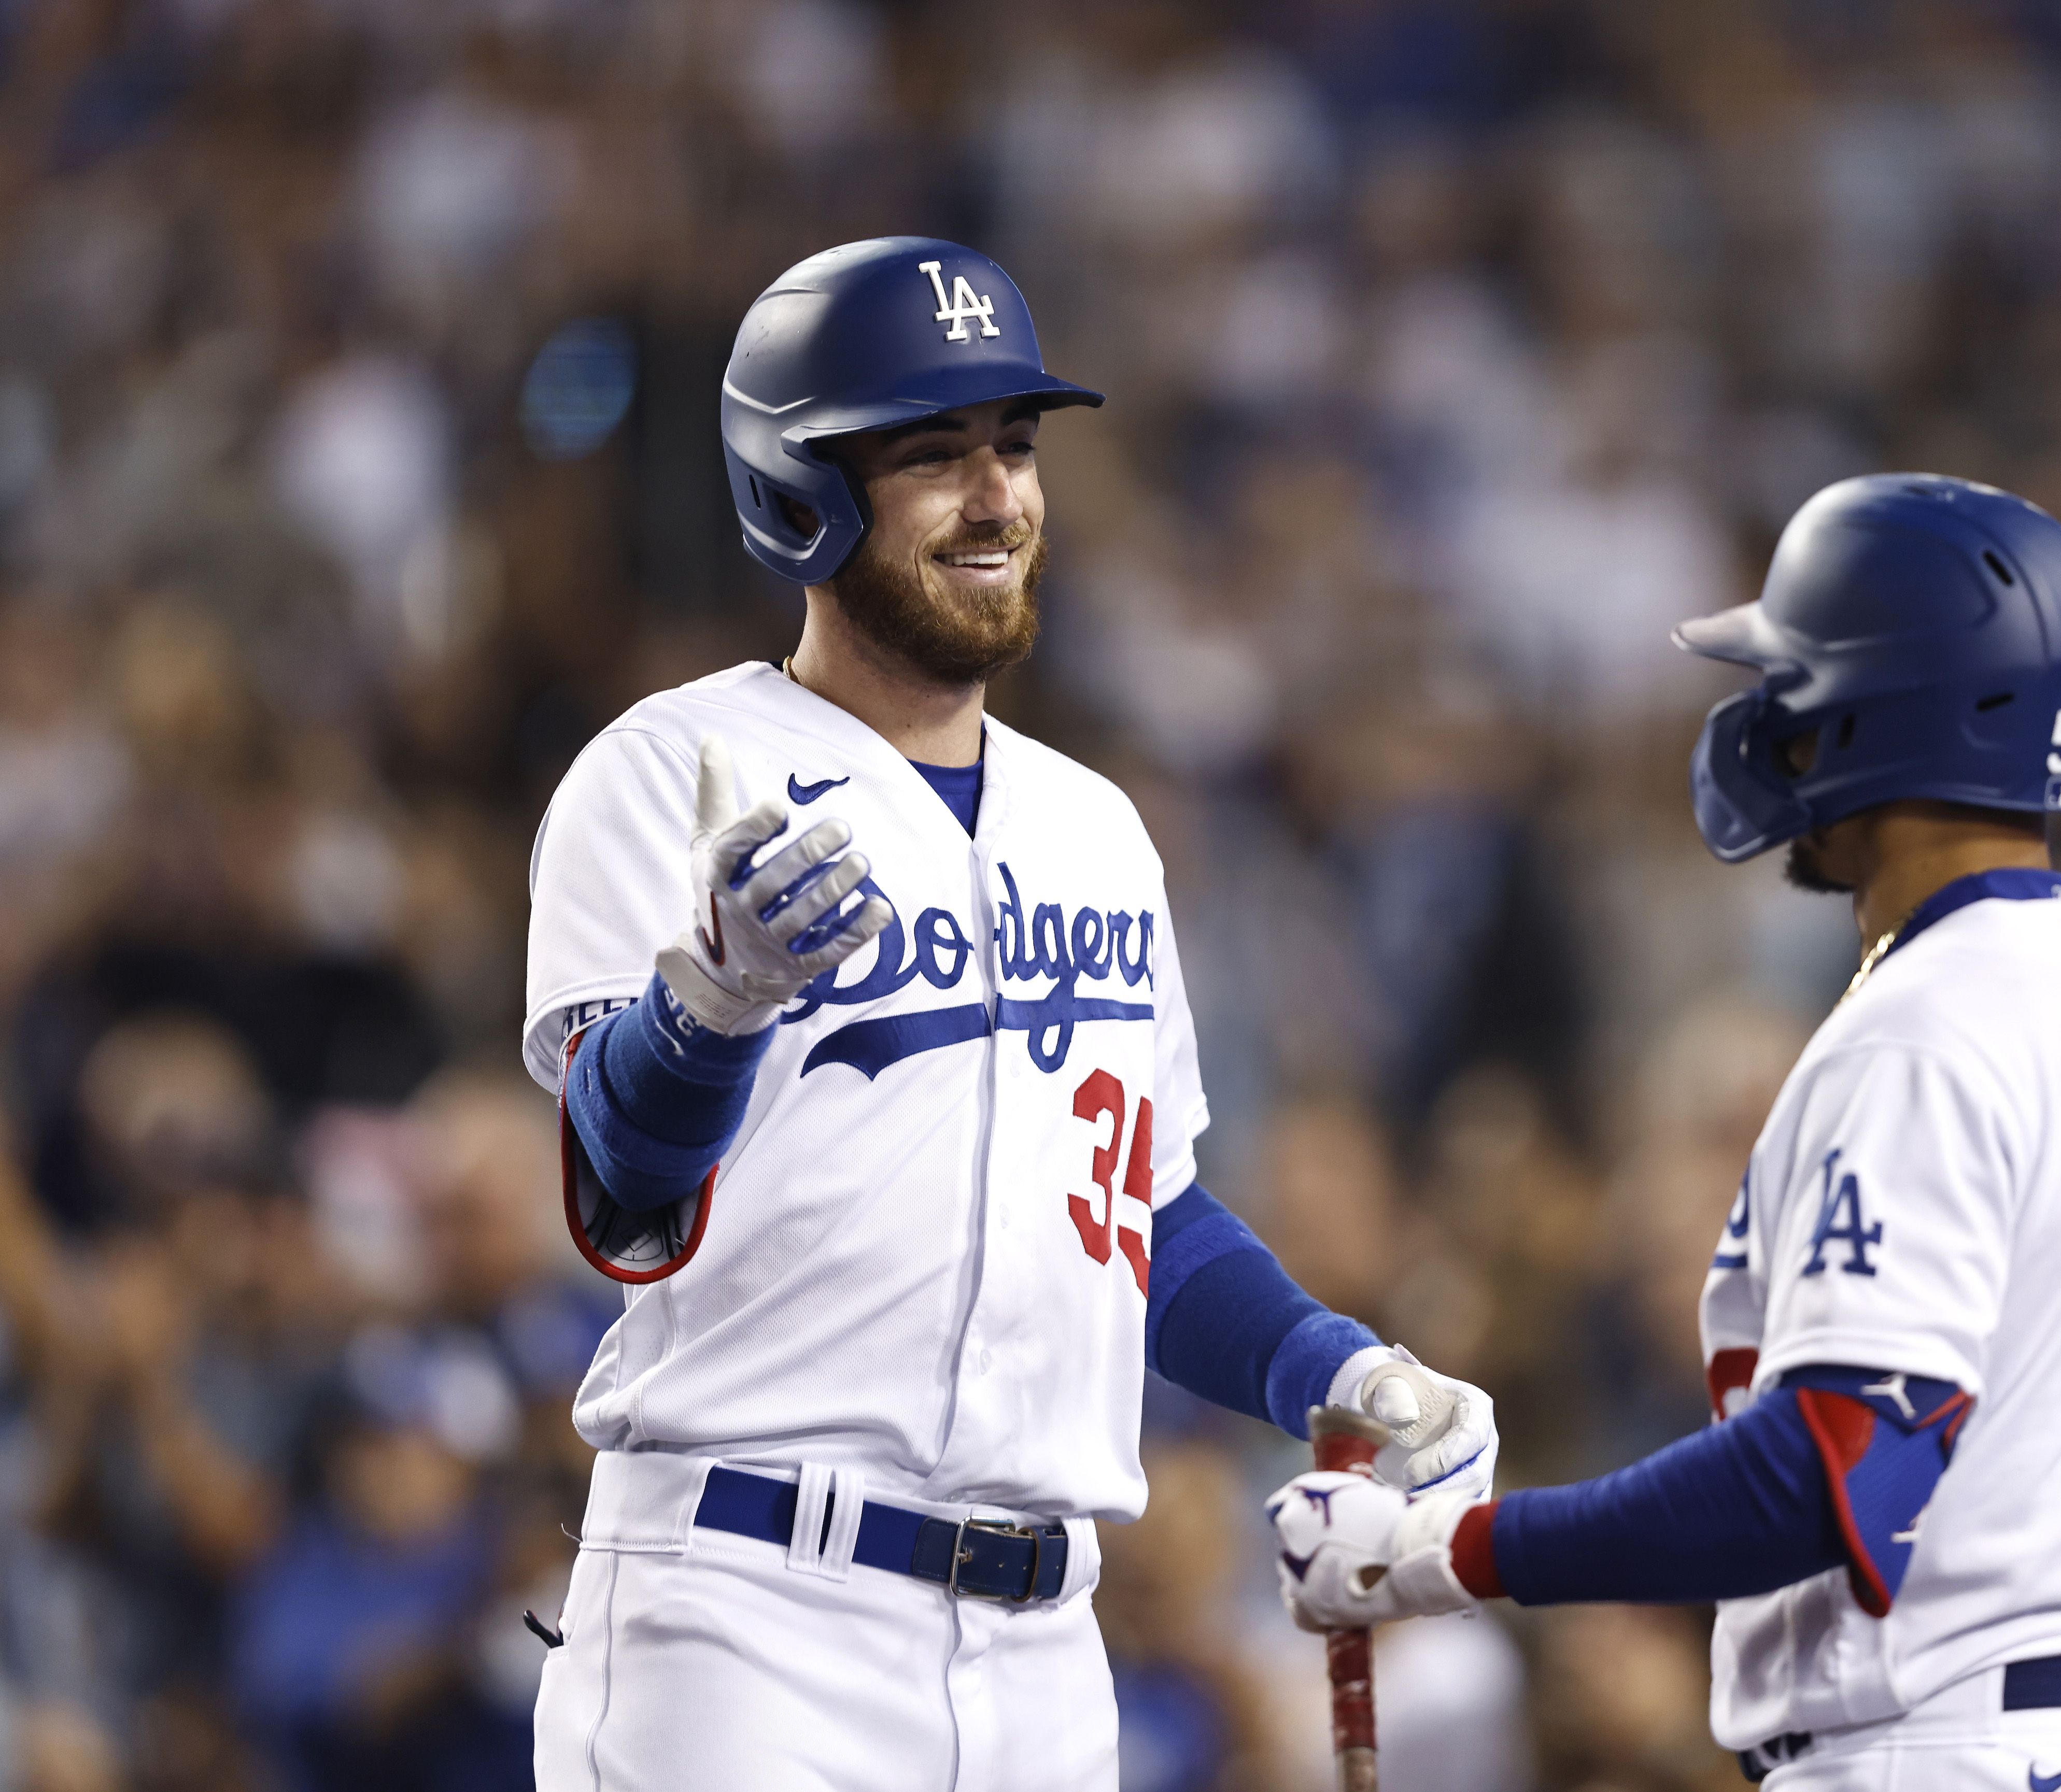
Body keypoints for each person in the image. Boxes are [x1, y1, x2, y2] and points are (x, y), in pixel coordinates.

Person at [520, 238, 1493, 1792]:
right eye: (934, 454)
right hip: (750, 1613)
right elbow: (621, 1192)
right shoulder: (667, 772)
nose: (999, 496)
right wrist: (712, 1003)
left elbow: (1139, 1221)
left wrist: (1335, 1363)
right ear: (802, 489)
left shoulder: (1097, 825)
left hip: (1047, 1653)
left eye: (1017, 446)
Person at [1269, 475, 2061, 1790]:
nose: (1772, 720)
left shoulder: (1922, 1028)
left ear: (1885, 715)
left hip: (1941, 1745)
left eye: (1798, 682)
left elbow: (1828, 1473)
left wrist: (1441, 1548)